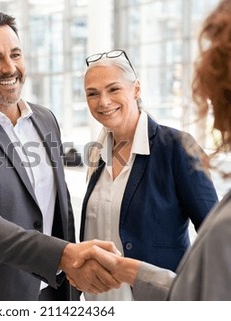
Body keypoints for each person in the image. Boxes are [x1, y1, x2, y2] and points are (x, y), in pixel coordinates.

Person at [0, 11, 120, 301]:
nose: (10, 67)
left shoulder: (44, 118)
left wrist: (71, 275)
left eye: (15, 54)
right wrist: (63, 255)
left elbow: (57, 205)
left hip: (53, 288)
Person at [73, 0, 231, 301]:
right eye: (92, 94)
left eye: (113, 89)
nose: (103, 101)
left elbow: (213, 236)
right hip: (97, 304)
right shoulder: (97, 152)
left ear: (136, 89)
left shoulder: (176, 147)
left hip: (156, 302)